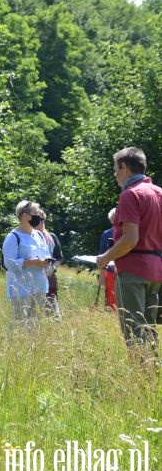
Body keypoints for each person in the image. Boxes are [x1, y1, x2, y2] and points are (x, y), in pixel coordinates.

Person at [96, 147, 161, 356]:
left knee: (134, 331)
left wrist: (105, 258)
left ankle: (142, 380)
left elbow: (130, 239)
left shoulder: (130, 194)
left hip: (132, 271)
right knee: (149, 330)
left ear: (124, 167)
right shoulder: (159, 193)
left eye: (116, 169)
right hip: (156, 272)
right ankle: (152, 378)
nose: (115, 174)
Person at [2, 200, 52, 329]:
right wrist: (32, 262)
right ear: (25, 216)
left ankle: (33, 347)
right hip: (21, 288)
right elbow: (8, 263)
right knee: (20, 323)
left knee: (35, 323)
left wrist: (46, 262)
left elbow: (46, 254)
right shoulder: (13, 237)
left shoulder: (39, 235)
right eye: (35, 213)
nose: (39, 217)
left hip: (39, 286)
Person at [34, 208, 63, 319]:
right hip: (32, 278)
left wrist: (52, 268)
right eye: (38, 220)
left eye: (42, 219)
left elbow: (59, 257)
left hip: (49, 278)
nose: (41, 223)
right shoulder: (27, 238)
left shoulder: (51, 237)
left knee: (52, 312)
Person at [98, 208, 118, 311]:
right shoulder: (107, 234)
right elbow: (102, 255)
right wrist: (101, 275)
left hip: (126, 271)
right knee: (111, 299)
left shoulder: (129, 233)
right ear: (111, 220)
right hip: (110, 271)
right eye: (115, 218)